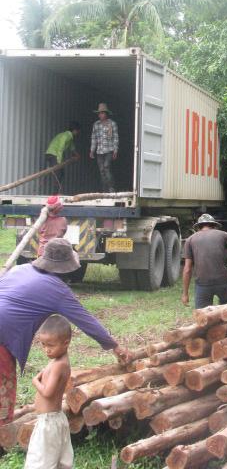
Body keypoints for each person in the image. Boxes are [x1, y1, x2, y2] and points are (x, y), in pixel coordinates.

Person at [0, 238, 131, 427]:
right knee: (3, 390)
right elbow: (86, 320)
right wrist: (115, 346)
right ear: (65, 266)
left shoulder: (19, 269)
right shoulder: (56, 289)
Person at [24, 315, 74, 469]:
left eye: (50, 345)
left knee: (40, 462)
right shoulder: (57, 361)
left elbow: (47, 392)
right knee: (57, 461)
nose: (46, 349)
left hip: (48, 423)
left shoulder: (59, 364)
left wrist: (34, 381)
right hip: (54, 419)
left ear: (66, 343)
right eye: (43, 345)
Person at [90, 103, 119, 193]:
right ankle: (104, 189)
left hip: (109, 150)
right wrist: (92, 150)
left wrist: (115, 150)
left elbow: (115, 137)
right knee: (101, 170)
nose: (100, 115)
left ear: (106, 114)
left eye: (102, 113)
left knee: (106, 167)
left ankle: (111, 188)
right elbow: (94, 138)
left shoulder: (112, 124)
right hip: (99, 151)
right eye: (99, 113)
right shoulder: (96, 124)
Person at [45, 122, 81, 193]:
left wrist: (77, 155)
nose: (78, 133)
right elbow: (60, 148)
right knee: (58, 174)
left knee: (61, 173)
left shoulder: (69, 137)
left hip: (51, 154)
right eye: (78, 131)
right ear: (74, 130)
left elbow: (72, 147)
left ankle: (56, 192)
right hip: (53, 154)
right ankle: (55, 194)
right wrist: (59, 162)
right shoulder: (67, 135)